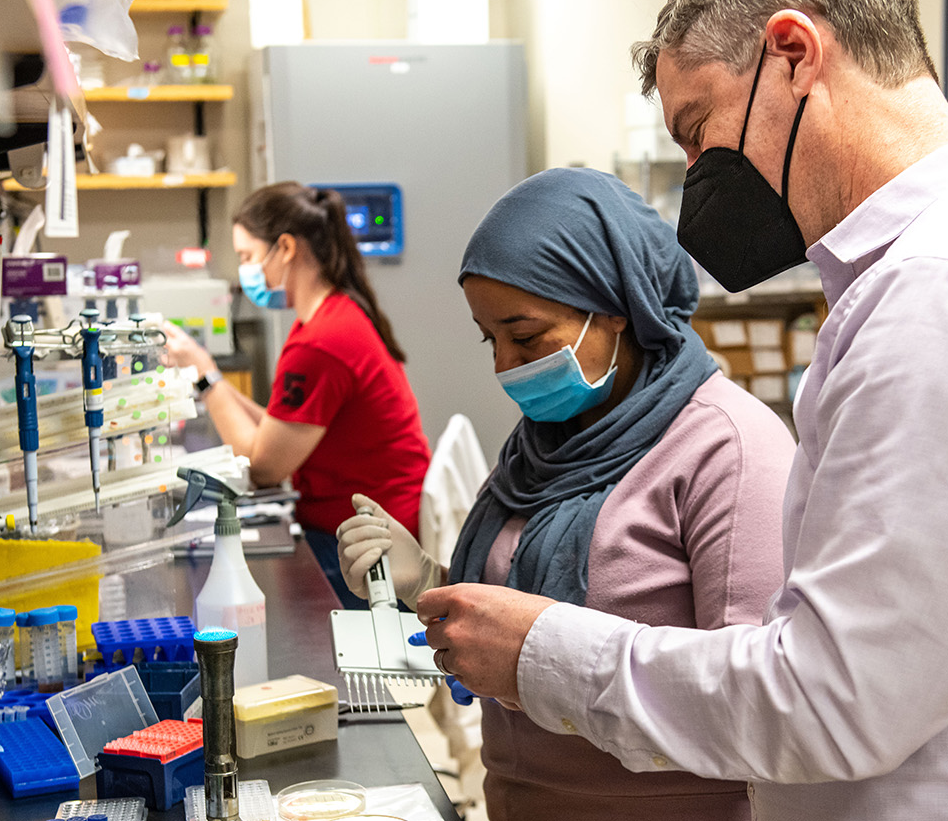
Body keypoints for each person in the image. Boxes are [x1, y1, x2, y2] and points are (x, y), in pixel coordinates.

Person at [415, 0, 948, 819]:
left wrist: (545, 652)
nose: (699, 178)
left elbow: (834, 700)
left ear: (794, 53)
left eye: (699, 132)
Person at [335, 168, 795, 820]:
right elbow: (522, 613)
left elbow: (756, 701)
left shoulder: (727, 446)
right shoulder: (547, 438)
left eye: (524, 337)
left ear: (617, 305)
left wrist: (543, 662)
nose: (503, 366)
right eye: (489, 339)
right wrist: (427, 581)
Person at [165, 182, 430, 609]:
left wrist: (204, 375)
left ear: (285, 248)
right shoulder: (329, 316)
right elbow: (278, 426)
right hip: (373, 522)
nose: (246, 272)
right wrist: (210, 378)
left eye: (249, 257)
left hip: (369, 546)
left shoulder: (322, 341)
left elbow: (263, 466)